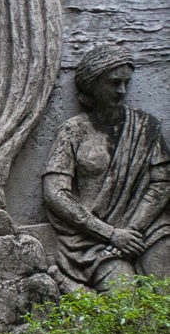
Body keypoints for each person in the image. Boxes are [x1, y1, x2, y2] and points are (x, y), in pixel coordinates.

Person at [43, 44, 170, 292]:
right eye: (113, 83)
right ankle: (73, 287)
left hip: (147, 227)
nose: (122, 91)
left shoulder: (146, 126)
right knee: (124, 301)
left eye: (126, 82)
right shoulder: (73, 131)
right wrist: (111, 234)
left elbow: (162, 182)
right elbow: (55, 192)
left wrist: (132, 230)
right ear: (93, 84)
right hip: (92, 239)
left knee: (164, 290)